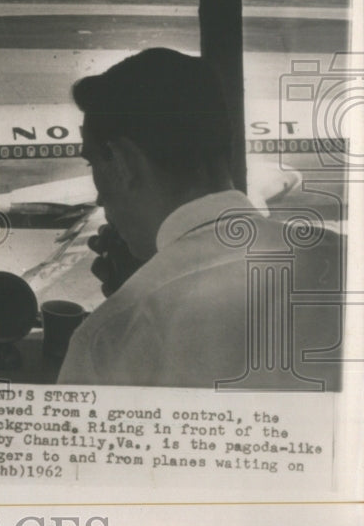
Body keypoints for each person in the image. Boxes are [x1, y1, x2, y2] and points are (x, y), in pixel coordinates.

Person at [57, 48, 342, 389]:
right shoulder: (345, 262)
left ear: (121, 162)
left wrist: (137, 302)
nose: (100, 196)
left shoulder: (105, 342)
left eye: (94, 164)